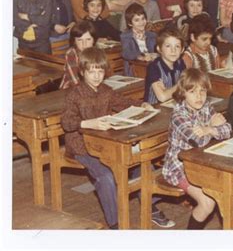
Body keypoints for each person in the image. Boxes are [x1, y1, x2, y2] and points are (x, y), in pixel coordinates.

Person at [61, 47, 172, 229]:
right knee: (106, 176)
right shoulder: (75, 94)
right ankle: (115, 224)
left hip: (105, 141)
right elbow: (66, 122)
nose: (97, 76)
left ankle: (149, 205)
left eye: (100, 71)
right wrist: (90, 123)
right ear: (82, 72)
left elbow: (123, 102)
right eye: (92, 71)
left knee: (142, 163)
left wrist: (143, 104)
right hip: (81, 145)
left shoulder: (105, 90)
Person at [162, 68, 232, 229]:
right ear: (183, 93)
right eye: (193, 92)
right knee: (208, 203)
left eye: (203, 91)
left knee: (228, 188)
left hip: (203, 163)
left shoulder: (206, 107)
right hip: (178, 168)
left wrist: (210, 130)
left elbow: (227, 129)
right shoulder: (178, 116)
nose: (199, 96)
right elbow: (197, 141)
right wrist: (211, 127)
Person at [144, 28, 186, 104]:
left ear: (182, 50)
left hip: (173, 105)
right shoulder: (154, 67)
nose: (173, 50)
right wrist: (181, 85)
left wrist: (167, 91)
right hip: (154, 108)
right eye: (168, 46)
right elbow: (162, 97)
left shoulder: (181, 63)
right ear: (159, 49)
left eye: (177, 46)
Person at [121, 3, 157, 76]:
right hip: (134, 70)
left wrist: (155, 55)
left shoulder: (152, 35)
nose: (141, 22)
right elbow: (126, 53)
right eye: (137, 20)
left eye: (143, 19)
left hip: (151, 66)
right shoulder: (126, 36)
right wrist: (141, 57)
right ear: (130, 23)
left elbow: (158, 50)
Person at [59, 21, 97, 89]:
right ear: (74, 41)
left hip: (90, 87)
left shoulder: (96, 52)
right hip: (71, 88)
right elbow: (74, 80)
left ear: (94, 40)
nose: (84, 44)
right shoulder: (71, 53)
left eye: (88, 39)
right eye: (80, 40)